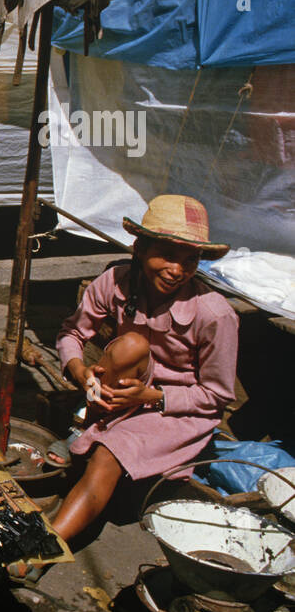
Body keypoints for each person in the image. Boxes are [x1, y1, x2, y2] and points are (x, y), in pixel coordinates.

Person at [46, 195, 238, 547]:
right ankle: (87, 423)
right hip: (123, 392)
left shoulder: (215, 314)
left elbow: (217, 396)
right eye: (166, 254)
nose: (177, 270)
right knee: (131, 345)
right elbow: (71, 334)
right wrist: (81, 374)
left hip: (177, 409)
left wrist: (152, 395)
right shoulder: (116, 282)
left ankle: (47, 546)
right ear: (139, 248)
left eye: (189, 260)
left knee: (110, 453)